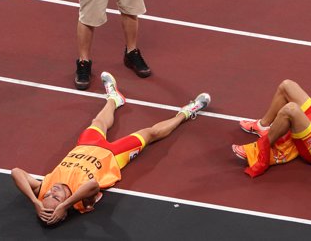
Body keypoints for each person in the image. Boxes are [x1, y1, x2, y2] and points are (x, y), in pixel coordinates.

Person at [11, 72, 210, 225]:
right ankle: (187, 112)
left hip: (86, 145)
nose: (52, 191)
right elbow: (92, 186)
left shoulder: (43, 187)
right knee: (149, 133)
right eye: (56, 197)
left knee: (98, 121)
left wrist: (35, 201)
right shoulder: (81, 203)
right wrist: (65, 205)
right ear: (65, 206)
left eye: (47, 196)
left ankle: (114, 98)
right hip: (114, 155)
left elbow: (16, 172)